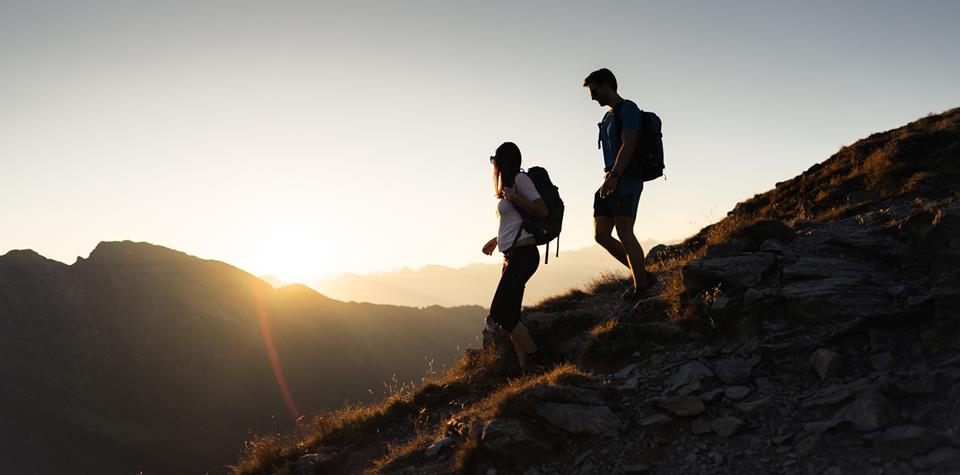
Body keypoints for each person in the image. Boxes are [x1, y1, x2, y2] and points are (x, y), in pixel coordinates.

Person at [583, 68, 654, 300]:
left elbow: (629, 144)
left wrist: (615, 176)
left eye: (594, 91)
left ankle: (641, 288)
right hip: (609, 179)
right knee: (601, 234)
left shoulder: (629, 109)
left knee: (624, 231)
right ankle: (641, 273)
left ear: (605, 85)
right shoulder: (608, 117)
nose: (593, 97)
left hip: (627, 178)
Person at [481, 142, 549, 373]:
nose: (494, 165)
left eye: (494, 160)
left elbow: (541, 211)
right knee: (511, 315)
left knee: (500, 312)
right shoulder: (510, 187)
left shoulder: (520, 181)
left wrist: (515, 198)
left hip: (525, 254)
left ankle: (538, 358)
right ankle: (525, 369)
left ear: (503, 161)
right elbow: (516, 221)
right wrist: (498, 239)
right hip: (512, 254)